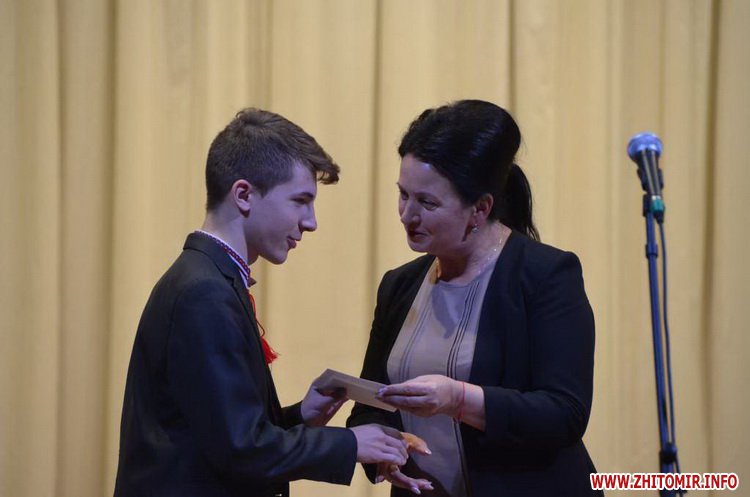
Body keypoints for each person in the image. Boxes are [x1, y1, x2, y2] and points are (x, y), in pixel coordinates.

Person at [114, 108, 410, 497]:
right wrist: (351, 443)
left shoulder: (206, 278)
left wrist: (301, 416)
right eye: (300, 200)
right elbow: (241, 451)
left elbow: (220, 435)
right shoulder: (204, 293)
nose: (311, 222)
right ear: (244, 195)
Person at [347, 100, 601, 496]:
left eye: (427, 202)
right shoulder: (399, 285)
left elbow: (564, 413)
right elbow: (371, 404)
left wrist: (458, 399)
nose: (407, 214)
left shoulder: (546, 275)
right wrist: (384, 451)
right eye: (403, 195)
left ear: (480, 208)